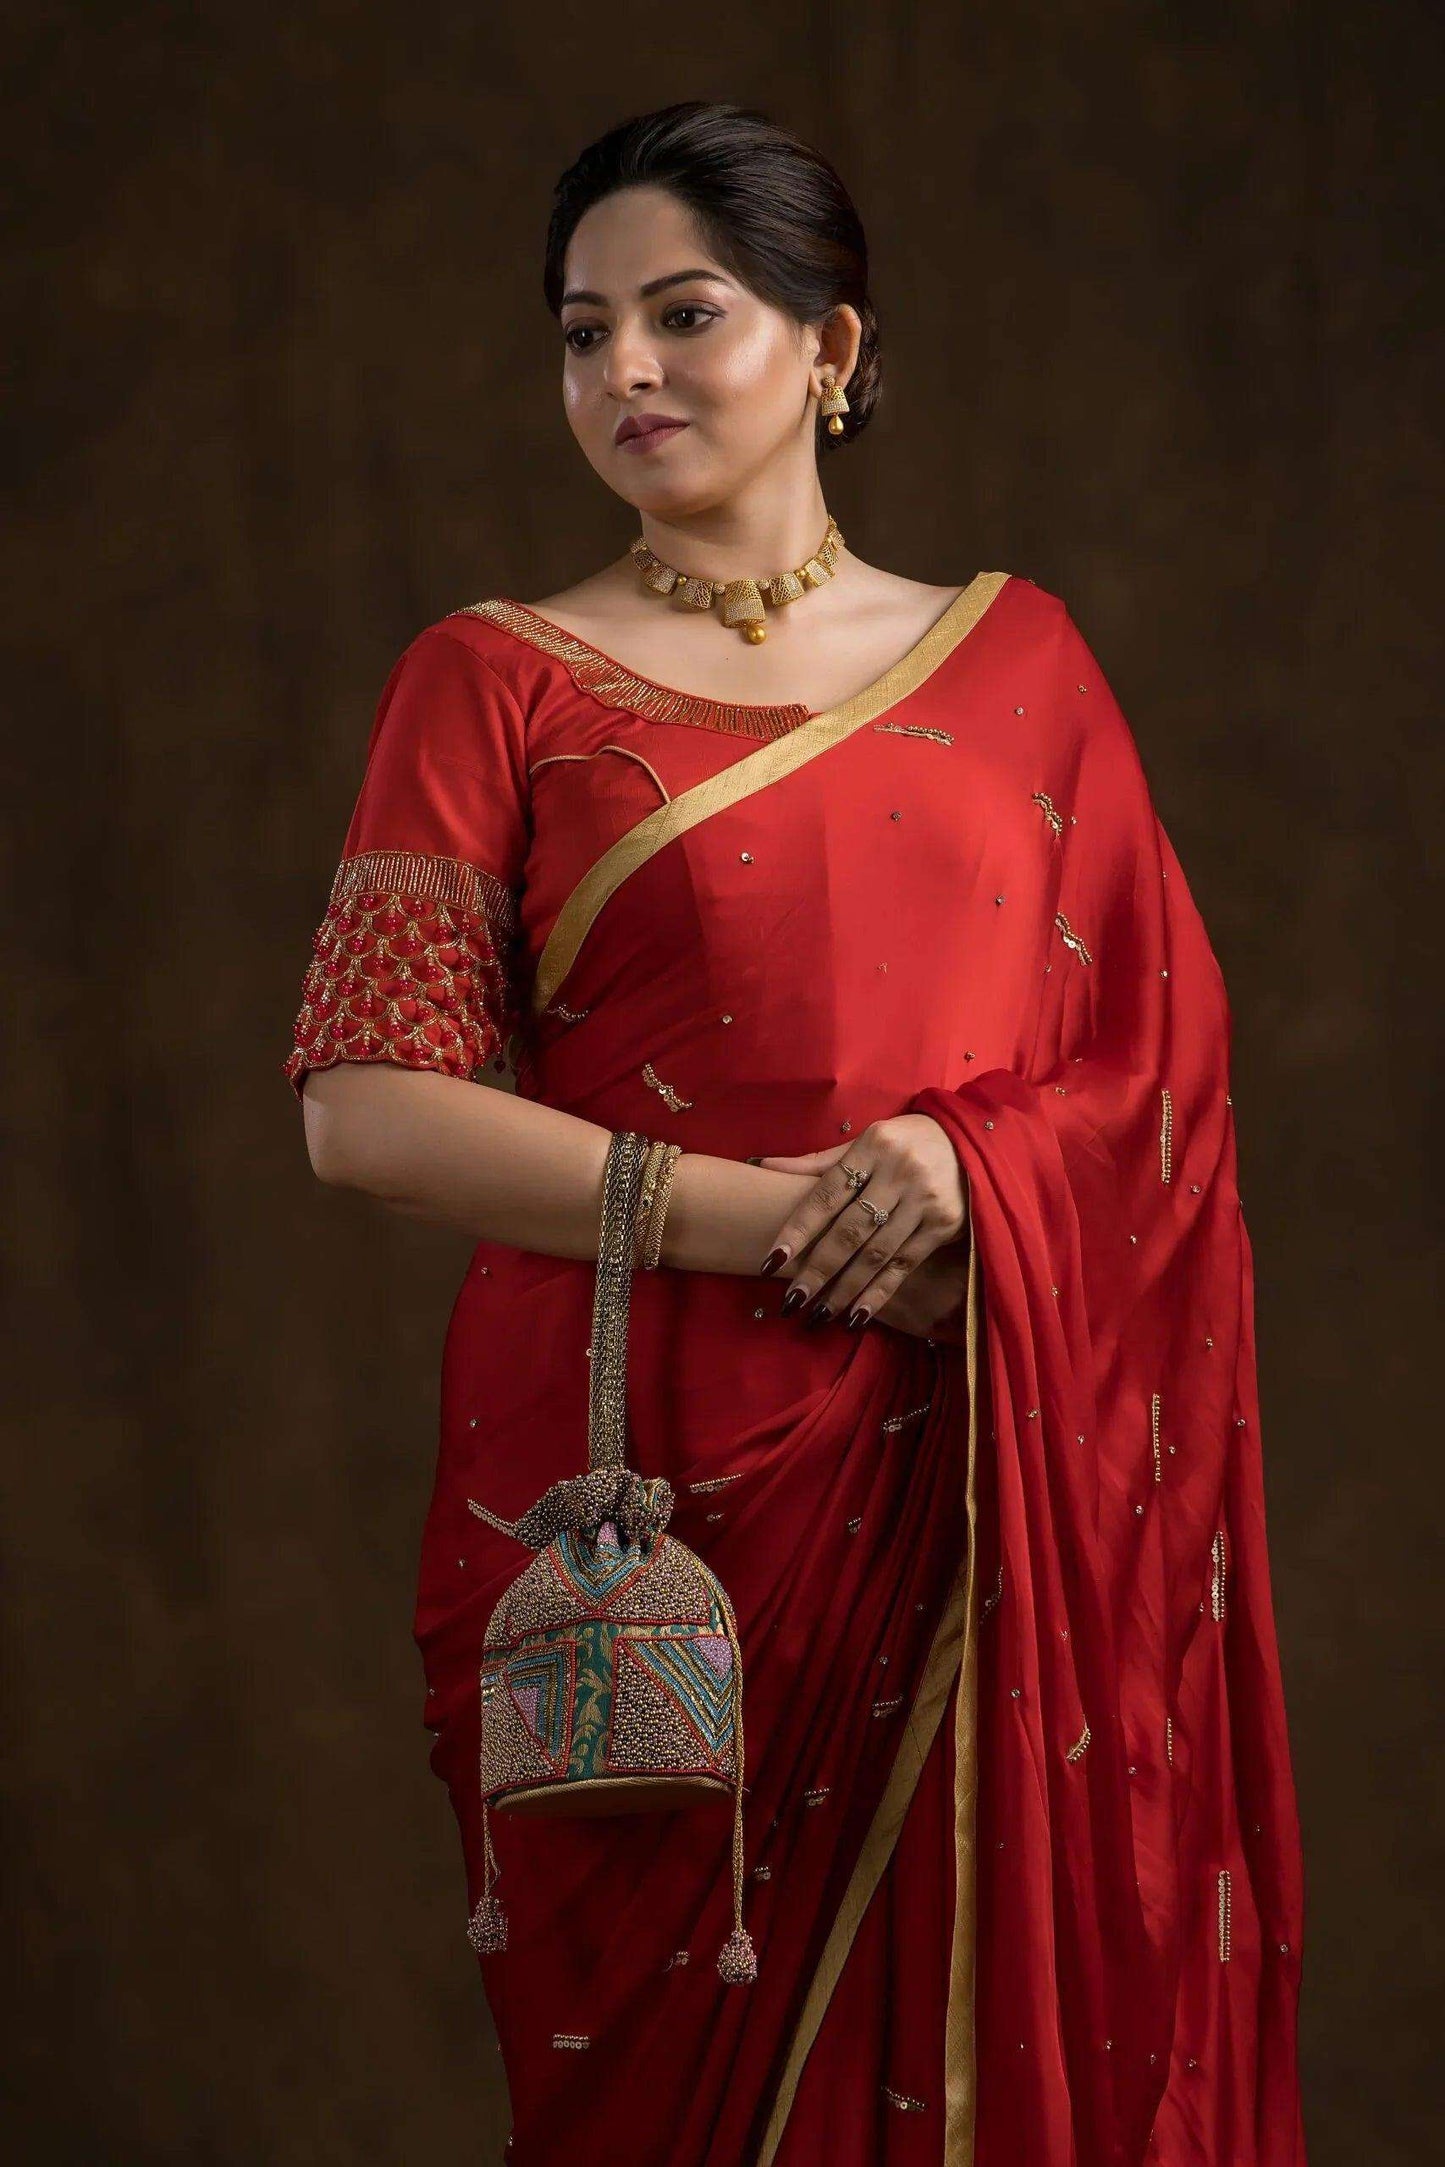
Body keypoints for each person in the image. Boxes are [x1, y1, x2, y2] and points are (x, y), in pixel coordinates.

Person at [283, 99, 1306, 2167]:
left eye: (685, 313)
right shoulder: (492, 681)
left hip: (975, 1453)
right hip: (634, 1492)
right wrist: (785, 1223)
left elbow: (1162, 1078)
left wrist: (962, 1168)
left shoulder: (1020, 670)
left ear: (834, 347)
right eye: (584, 332)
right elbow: (368, 1115)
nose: (625, 373)